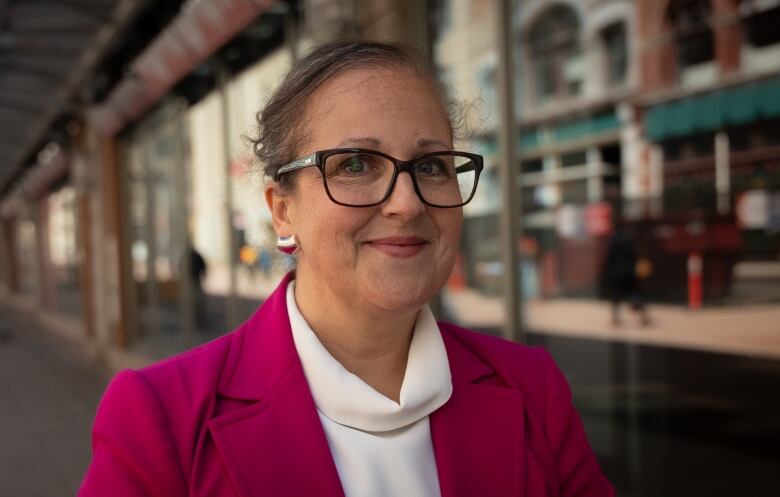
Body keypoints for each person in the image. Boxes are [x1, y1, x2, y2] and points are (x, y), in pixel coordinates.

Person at [79, 42, 613, 497]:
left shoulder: (531, 389)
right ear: (282, 208)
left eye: (431, 166)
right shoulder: (162, 419)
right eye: (356, 164)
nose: (407, 203)